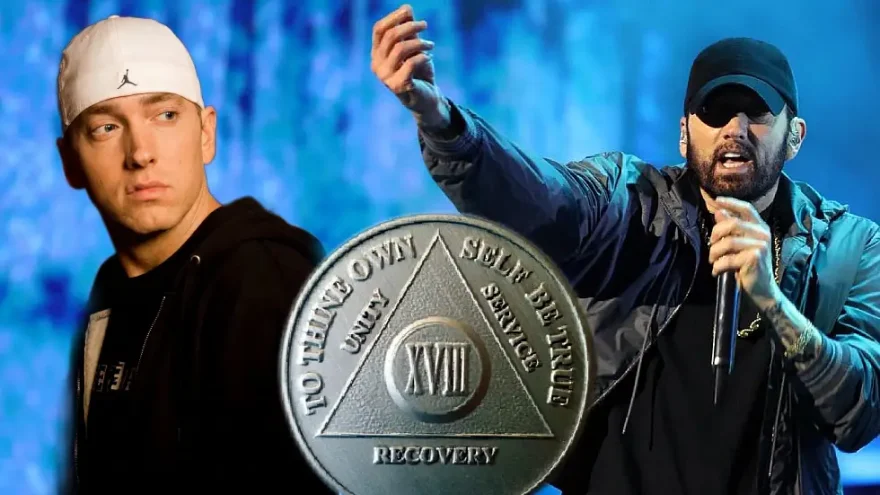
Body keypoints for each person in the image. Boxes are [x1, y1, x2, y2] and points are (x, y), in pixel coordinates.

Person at [371, 5, 880, 494]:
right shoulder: (629, 202)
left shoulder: (851, 248)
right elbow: (540, 198)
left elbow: (860, 413)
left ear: (795, 137)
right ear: (684, 134)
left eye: (758, 112)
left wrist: (773, 302)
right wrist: (442, 122)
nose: (735, 129)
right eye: (715, 111)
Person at [55, 16, 330, 493]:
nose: (140, 153)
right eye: (105, 127)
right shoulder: (110, 292)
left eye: (165, 116)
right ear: (70, 162)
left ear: (206, 134)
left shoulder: (264, 283)